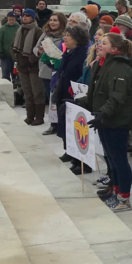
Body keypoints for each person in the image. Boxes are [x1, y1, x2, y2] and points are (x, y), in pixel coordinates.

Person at [80, 31, 132, 212]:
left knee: (119, 160)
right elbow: (98, 92)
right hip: (105, 119)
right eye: (99, 42)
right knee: (111, 159)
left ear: (114, 48)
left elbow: (117, 97)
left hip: (116, 121)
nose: (99, 45)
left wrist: (103, 113)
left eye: (103, 43)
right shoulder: (104, 65)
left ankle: (124, 198)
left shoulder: (120, 68)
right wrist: (79, 102)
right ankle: (115, 190)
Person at [54, 26, 90, 172]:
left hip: (76, 94)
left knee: (77, 128)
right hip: (65, 92)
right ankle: (73, 156)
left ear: (77, 39)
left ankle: (83, 163)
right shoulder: (69, 53)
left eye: (68, 35)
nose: (65, 38)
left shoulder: (82, 54)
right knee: (67, 126)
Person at [12, 9, 45, 125]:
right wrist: (15, 56)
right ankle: (29, 116)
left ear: (33, 18)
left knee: (37, 92)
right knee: (27, 92)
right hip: (22, 66)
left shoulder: (38, 32)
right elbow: (13, 46)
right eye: (23, 15)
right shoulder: (19, 30)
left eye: (27, 16)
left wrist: (32, 58)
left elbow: (42, 49)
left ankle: (39, 117)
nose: (25, 18)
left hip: (34, 67)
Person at [37, 12, 68, 132]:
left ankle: (59, 123)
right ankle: (53, 124)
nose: (52, 23)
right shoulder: (45, 34)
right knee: (49, 98)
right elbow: (35, 47)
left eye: (55, 20)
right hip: (45, 69)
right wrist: (39, 51)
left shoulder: (65, 35)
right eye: (51, 20)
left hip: (57, 70)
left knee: (56, 98)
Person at [0, 10, 19, 79]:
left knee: (15, 73)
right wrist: (0, 51)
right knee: (5, 72)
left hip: (15, 55)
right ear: (7, 19)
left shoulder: (19, 28)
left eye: (13, 19)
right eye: (10, 19)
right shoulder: (3, 29)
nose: (11, 21)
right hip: (5, 54)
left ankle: (16, 85)